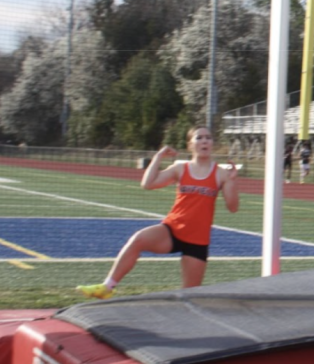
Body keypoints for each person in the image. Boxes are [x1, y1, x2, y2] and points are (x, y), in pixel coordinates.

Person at [77, 127, 239, 299]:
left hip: (198, 240)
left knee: (189, 296)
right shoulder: (180, 168)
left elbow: (232, 207)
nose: (205, 141)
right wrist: (159, 156)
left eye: (208, 137)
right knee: (138, 239)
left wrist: (231, 181)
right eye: (199, 138)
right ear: (190, 144)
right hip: (172, 230)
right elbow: (148, 184)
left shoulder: (221, 174)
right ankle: (107, 287)